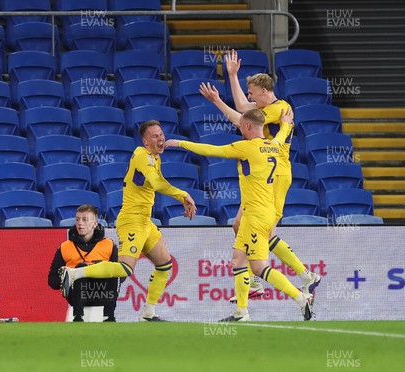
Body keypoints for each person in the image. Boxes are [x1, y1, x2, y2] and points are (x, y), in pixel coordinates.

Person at [166, 109, 314, 321]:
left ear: (247, 126)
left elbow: (210, 150)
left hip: (255, 216)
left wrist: (180, 143)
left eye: (240, 126)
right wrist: (286, 124)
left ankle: (301, 298)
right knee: (237, 261)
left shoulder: (246, 147)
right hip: (260, 213)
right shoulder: (273, 146)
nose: (239, 129)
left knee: (260, 267)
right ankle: (241, 312)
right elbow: (281, 137)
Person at [202, 50, 321, 300]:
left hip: (276, 175)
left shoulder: (281, 108)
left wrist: (216, 101)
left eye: (253, 93)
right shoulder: (266, 107)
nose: (250, 97)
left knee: (264, 233)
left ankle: (289, 277)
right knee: (239, 226)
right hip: (264, 173)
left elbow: (241, 118)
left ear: (265, 93)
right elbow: (245, 109)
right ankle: (294, 277)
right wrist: (232, 76)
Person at [60, 120, 197, 322]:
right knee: (125, 268)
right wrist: (183, 194)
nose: (160, 138)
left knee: (164, 264)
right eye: (154, 136)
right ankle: (74, 274)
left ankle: (148, 313)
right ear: (145, 141)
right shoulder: (142, 156)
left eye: (161, 134)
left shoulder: (154, 158)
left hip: (145, 222)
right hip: (132, 221)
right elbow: (158, 184)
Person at [48, 204, 120, 322]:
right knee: (80, 268)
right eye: (77, 219)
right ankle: (78, 316)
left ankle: (109, 316)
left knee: (112, 268)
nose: (80, 223)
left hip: (102, 292)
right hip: (75, 293)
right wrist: (65, 278)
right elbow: (52, 280)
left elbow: (120, 275)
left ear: (95, 224)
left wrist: (97, 269)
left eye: (85, 219)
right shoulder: (65, 247)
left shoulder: (109, 245)